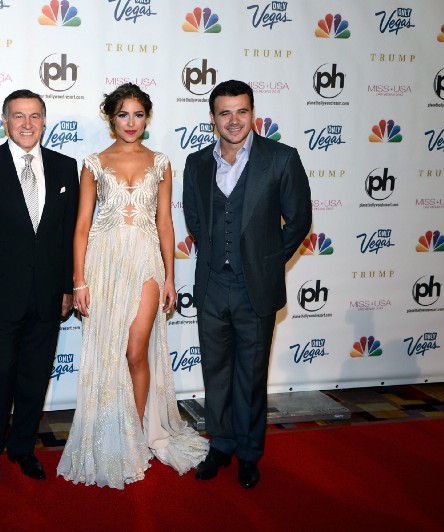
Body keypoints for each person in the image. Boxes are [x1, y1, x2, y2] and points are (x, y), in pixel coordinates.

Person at [57, 83, 208, 490]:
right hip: (102, 264)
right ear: (111, 117)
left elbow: (164, 223)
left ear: (147, 118)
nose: (131, 122)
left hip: (145, 262)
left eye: (138, 114)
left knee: (134, 349)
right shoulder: (92, 163)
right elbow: (82, 226)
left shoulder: (161, 162)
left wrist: (172, 277)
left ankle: (137, 432)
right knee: (108, 352)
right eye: (123, 114)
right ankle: (115, 431)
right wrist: (79, 280)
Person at [182, 80, 311, 489]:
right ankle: (221, 445)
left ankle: (250, 453)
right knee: (215, 372)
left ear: (253, 113)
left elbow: (300, 220)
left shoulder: (281, 159)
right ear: (212, 118)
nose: (234, 120)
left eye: (241, 111)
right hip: (211, 286)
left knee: (251, 375)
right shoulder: (196, 162)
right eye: (225, 113)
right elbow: (196, 221)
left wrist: (267, 262)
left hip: (254, 286)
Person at [0, 89, 79, 487]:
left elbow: (66, 236)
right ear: (4, 121)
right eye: (18, 116)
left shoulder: (65, 167)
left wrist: (66, 288)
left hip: (47, 295)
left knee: (35, 375)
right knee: (0, 375)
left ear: (45, 121)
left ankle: (23, 449)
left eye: (35, 116)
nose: (27, 124)